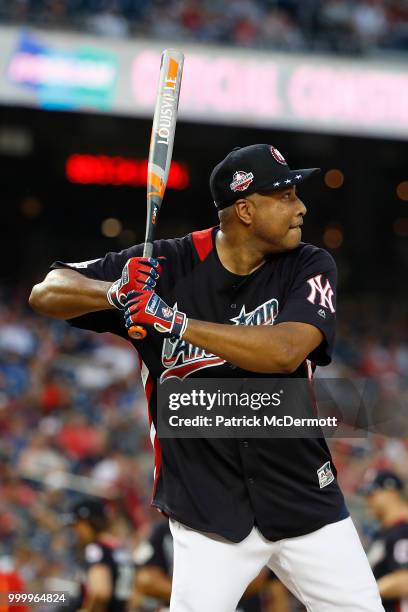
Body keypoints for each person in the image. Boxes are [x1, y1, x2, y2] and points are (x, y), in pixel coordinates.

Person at [30, 143, 384, 611]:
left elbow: (285, 351)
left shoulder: (309, 264)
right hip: (208, 513)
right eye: (285, 196)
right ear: (245, 210)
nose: (301, 207)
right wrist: (114, 291)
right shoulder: (170, 262)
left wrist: (173, 321)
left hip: (304, 499)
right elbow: (46, 291)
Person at [131, 517, 290, 612]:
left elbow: (264, 578)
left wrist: (203, 595)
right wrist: (197, 597)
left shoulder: (247, 522)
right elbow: (145, 580)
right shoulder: (163, 529)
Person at [65, 499, 134, 612]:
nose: (75, 531)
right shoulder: (119, 547)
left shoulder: (96, 549)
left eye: (77, 525)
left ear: (92, 523)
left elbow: (100, 593)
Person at [361, 470, 408, 612]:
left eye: (372, 493)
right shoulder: (386, 532)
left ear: (391, 492)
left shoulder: (403, 529)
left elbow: (404, 579)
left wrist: (363, 592)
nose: (367, 500)